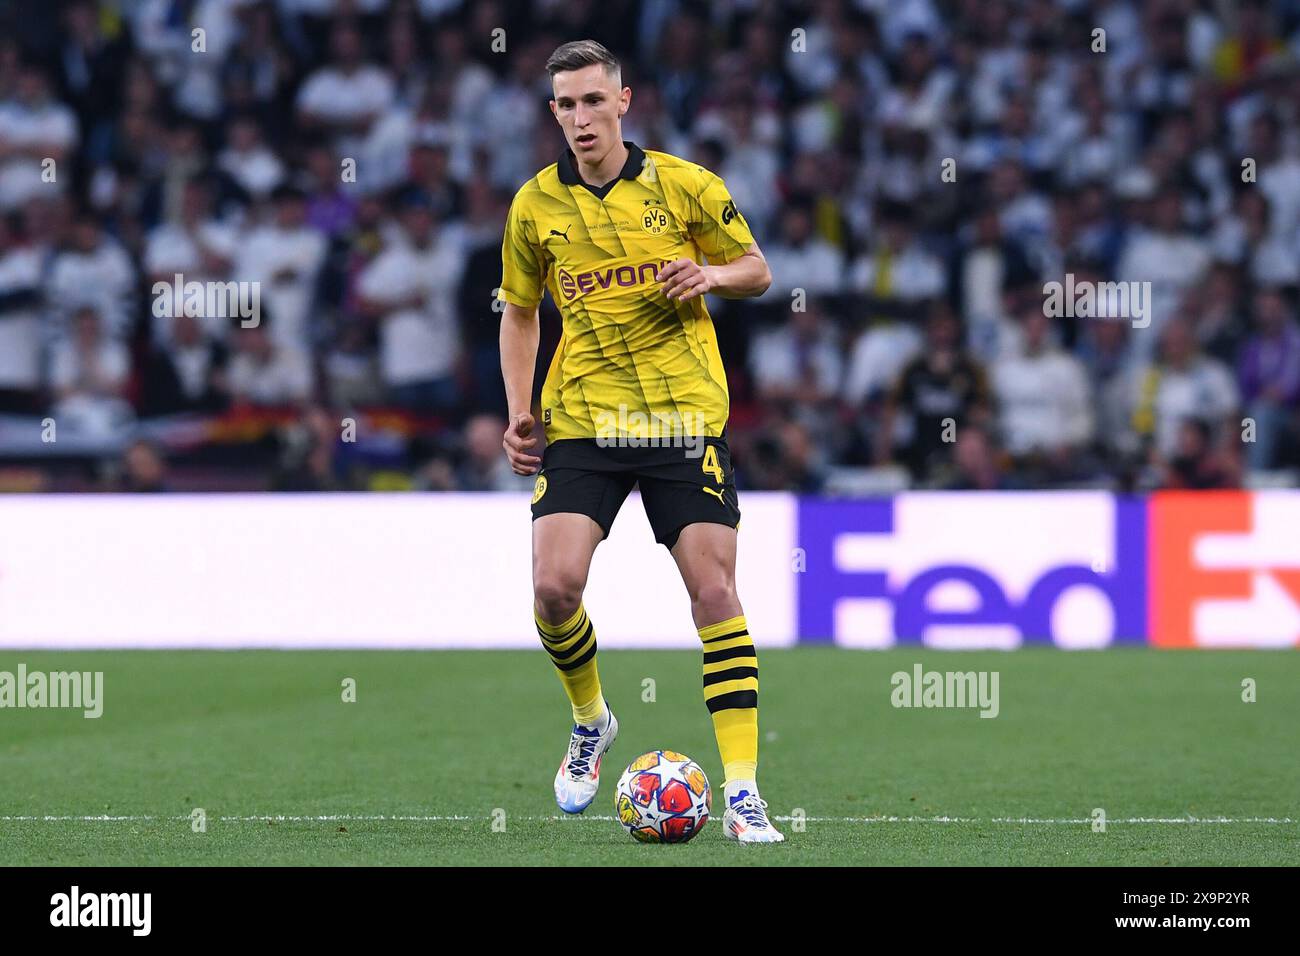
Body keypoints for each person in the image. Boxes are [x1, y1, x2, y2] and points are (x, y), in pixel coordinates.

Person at [497, 40, 782, 842]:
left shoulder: (686, 185)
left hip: (681, 419)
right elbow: (519, 314)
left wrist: (711, 276)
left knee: (715, 595)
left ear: (624, 101)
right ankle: (592, 720)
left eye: (594, 101)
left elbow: (757, 269)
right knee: (554, 590)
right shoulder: (533, 207)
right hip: (584, 419)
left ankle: (744, 794)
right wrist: (519, 410)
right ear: (552, 112)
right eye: (565, 105)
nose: (581, 119)